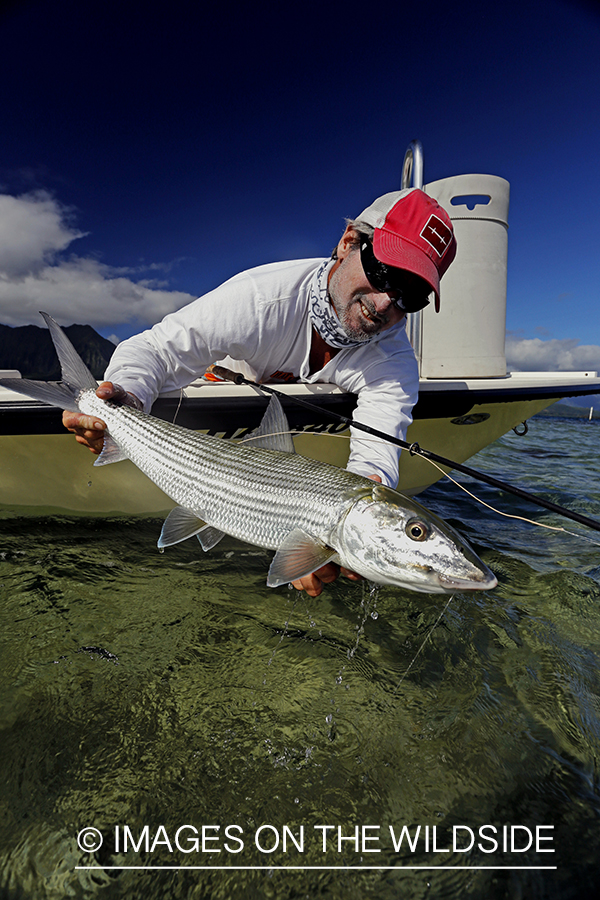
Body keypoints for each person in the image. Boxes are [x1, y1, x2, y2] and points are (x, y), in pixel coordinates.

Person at [63, 187, 456, 595]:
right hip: (215, 411)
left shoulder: (393, 360)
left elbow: (373, 464)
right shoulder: (262, 296)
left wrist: (336, 542)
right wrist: (122, 402)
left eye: (410, 295)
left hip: (268, 479)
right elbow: (155, 349)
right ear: (348, 243)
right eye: (384, 273)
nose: (386, 301)